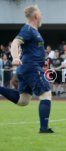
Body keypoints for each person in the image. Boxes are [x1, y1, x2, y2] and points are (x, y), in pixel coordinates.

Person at [0, 5, 53, 133]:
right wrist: (16, 57)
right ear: (36, 16)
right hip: (31, 68)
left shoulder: (34, 31)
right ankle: (44, 129)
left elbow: (32, 49)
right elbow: (15, 43)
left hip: (27, 68)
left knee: (23, 101)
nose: (41, 15)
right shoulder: (28, 29)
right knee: (46, 94)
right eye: (40, 13)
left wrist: (43, 61)